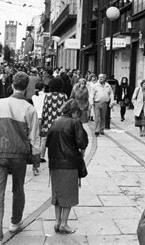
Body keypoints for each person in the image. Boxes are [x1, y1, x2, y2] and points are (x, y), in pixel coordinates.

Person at [0, 72, 41, 245]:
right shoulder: (29, 109)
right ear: (27, 87)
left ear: (12, 85)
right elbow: (35, 138)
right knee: (18, 188)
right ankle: (15, 222)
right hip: (19, 156)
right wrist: (36, 161)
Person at [46, 99, 89, 235]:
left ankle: (57, 222)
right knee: (68, 194)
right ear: (75, 111)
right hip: (69, 163)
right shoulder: (75, 122)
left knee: (58, 194)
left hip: (54, 163)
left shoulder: (56, 121)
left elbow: (48, 142)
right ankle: (64, 223)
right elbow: (82, 142)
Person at [40, 78, 68, 162]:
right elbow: (65, 109)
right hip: (59, 122)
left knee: (44, 139)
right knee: (58, 140)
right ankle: (57, 155)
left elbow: (44, 109)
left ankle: (42, 155)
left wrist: (43, 120)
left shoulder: (47, 95)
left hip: (48, 120)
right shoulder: (63, 96)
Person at [31, 82, 46, 174]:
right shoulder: (46, 96)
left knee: (35, 138)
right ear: (43, 88)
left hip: (35, 117)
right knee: (43, 138)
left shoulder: (33, 97)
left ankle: (35, 158)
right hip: (43, 117)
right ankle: (42, 155)